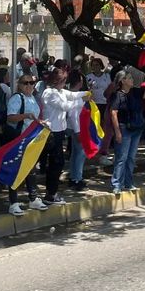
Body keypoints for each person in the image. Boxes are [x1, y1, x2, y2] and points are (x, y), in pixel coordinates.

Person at [39, 68, 89, 205]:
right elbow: (66, 106)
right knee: (55, 163)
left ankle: (51, 193)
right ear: (56, 80)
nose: (65, 83)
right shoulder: (50, 93)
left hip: (59, 131)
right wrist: (83, 100)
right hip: (51, 132)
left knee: (57, 163)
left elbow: (72, 95)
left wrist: (87, 92)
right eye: (63, 80)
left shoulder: (61, 91)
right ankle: (50, 195)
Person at [4, 73, 45, 215]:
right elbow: (10, 117)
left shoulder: (33, 98)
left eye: (31, 83)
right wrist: (26, 116)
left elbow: (35, 118)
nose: (29, 86)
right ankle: (13, 202)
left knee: (30, 169)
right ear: (19, 85)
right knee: (16, 170)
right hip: (19, 139)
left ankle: (33, 198)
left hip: (31, 139)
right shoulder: (17, 98)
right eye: (25, 83)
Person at [109, 70, 145, 194]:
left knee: (131, 157)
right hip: (124, 128)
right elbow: (113, 113)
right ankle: (117, 184)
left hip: (136, 128)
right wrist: (117, 132)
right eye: (129, 78)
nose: (132, 80)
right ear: (123, 81)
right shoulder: (118, 95)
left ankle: (128, 182)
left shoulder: (135, 92)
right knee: (121, 157)